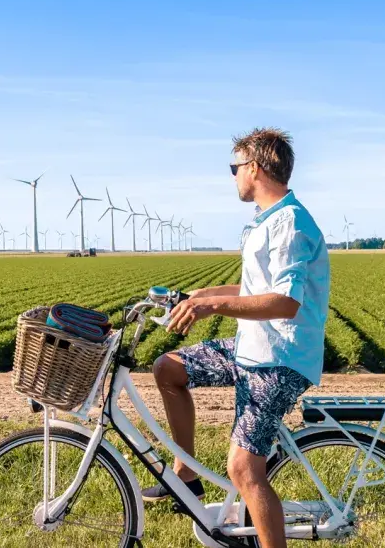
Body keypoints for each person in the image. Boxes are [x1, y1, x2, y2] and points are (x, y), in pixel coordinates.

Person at [140, 127, 330, 548]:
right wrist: (199, 295)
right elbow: (253, 290)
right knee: (168, 368)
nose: (233, 177)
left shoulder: (290, 224)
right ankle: (186, 476)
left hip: (278, 358)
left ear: (255, 167)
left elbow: (283, 301)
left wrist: (212, 307)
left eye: (234, 167)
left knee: (244, 469)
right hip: (252, 347)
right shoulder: (266, 222)